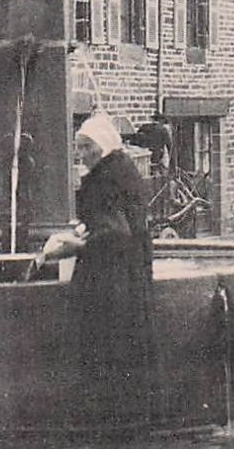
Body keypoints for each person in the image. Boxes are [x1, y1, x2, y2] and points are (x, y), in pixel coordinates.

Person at [41, 115, 153, 429]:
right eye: (77, 147)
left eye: (86, 146)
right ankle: (129, 418)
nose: (81, 154)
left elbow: (116, 234)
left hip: (108, 280)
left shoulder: (101, 180)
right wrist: (87, 228)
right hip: (131, 276)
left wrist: (73, 246)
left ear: (101, 147)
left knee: (103, 346)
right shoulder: (124, 171)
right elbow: (128, 225)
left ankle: (104, 423)